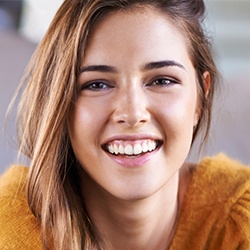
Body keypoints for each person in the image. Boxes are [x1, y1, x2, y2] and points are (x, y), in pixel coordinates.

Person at [0, 0, 250, 249]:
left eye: (162, 81)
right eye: (97, 84)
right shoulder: (11, 227)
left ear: (201, 97)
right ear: (59, 103)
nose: (132, 114)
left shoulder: (239, 217)